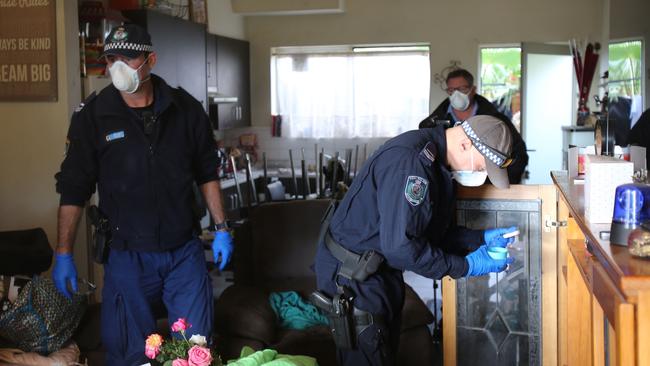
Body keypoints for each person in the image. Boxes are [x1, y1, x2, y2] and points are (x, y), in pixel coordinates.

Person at [52, 24, 233, 365]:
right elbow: (74, 188)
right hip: (127, 256)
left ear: (150, 59)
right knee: (129, 353)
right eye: (111, 58)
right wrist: (63, 253)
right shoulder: (93, 116)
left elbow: (207, 173)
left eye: (128, 57)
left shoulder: (186, 109)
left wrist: (222, 228)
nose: (118, 66)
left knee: (195, 352)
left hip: (183, 253)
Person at [313, 115, 518, 366]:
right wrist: (466, 266)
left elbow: (428, 233)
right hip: (353, 275)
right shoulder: (412, 165)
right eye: (483, 166)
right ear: (465, 144)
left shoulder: (438, 166)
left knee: (384, 354)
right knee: (367, 358)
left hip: (378, 267)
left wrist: (478, 239)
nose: (483, 174)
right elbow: (402, 247)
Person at [419, 68, 528, 184]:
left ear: (473, 89)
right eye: (451, 90)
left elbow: (518, 156)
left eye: (462, 89)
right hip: (447, 194)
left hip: (488, 192)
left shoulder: (496, 121)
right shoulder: (431, 124)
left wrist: (494, 185)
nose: (456, 94)